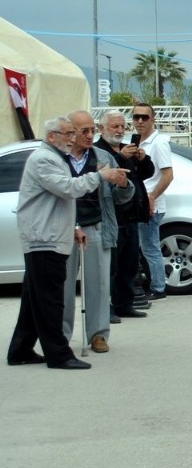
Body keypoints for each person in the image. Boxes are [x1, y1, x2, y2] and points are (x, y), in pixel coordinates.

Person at [7, 116, 129, 370]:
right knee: (51, 300)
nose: (73, 138)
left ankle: (20, 349)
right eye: (68, 133)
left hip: (50, 235)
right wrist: (100, 176)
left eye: (76, 132)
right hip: (44, 239)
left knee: (34, 299)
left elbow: (59, 201)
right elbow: (68, 189)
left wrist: (73, 227)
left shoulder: (53, 158)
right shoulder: (45, 159)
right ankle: (59, 354)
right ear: (52, 136)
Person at [61, 111, 135, 354]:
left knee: (99, 285)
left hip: (96, 226)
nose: (90, 135)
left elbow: (120, 197)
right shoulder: (60, 158)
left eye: (92, 130)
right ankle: (61, 336)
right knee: (63, 286)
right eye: (84, 131)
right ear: (70, 132)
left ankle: (98, 334)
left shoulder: (103, 157)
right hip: (64, 229)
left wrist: (124, 185)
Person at [96, 110, 154, 320]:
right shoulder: (98, 152)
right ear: (102, 129)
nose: (120, 130)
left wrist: (143, 158)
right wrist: (120, 158)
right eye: (115, 126)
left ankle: (125, 304)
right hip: (112, 218)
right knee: (110, 267)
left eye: (122, 126)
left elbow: (145, 174)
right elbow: (105, 179)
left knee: (129, 265)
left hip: (131, 217)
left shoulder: (125, 149)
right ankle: (107, 308)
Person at [133, 103, 173, 300]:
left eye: (145, 117)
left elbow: (168, 175)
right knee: (144, 247)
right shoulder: (138, 142)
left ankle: (158, 287)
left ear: (153, 119)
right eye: (136, 117)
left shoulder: (158, 143)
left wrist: (151, 197)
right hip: (139, 202)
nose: (140, 121)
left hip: (150, 204)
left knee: (150, 247)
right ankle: (152, 283)